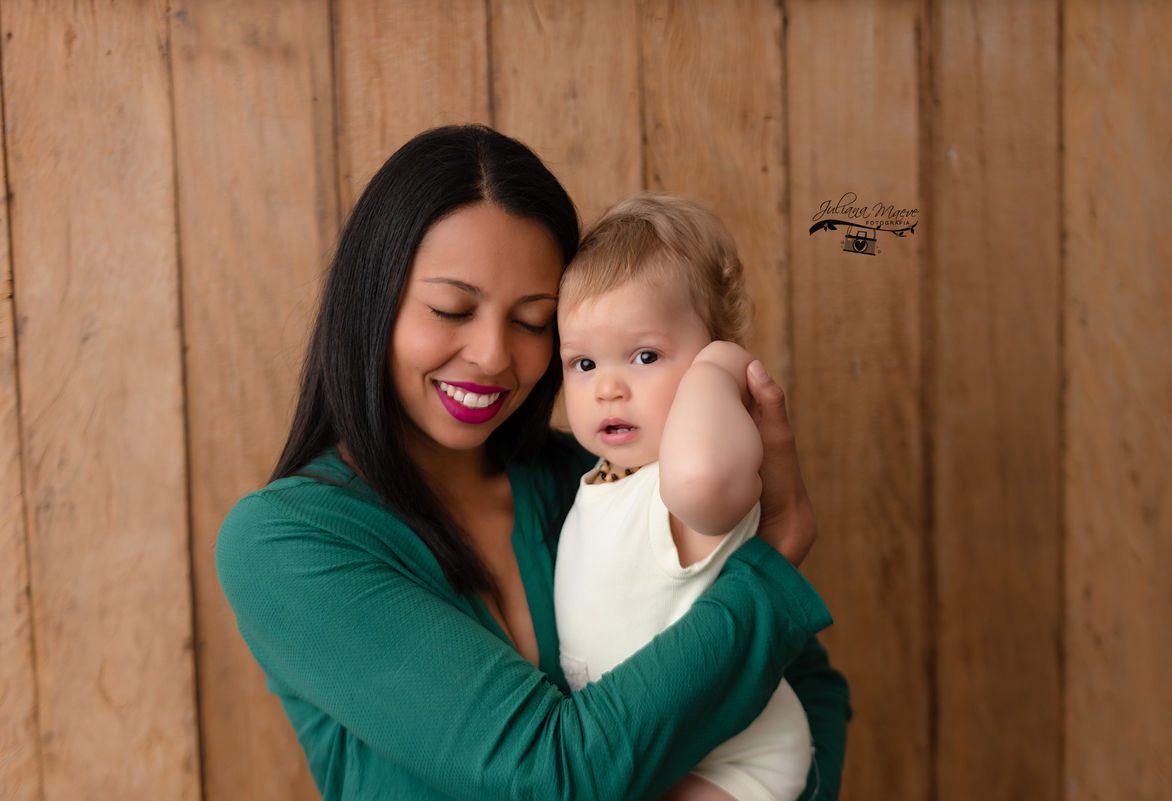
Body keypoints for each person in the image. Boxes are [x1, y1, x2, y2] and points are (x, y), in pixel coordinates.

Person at [216, 124, 850, 801]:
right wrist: (775, 557)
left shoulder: (601, 480)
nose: (492, 355)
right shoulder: (286, 542)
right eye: (451, 308)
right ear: (373, 302)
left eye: (531, 321)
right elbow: (547, 775)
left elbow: (808, 689)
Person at [555, 194, 813, 801]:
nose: (609, 388)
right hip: (665, 746)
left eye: (645, 356)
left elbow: (699, 478)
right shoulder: (603, 480)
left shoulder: (685, 486)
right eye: (583, 362)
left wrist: (724, 366)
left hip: (735, 757)